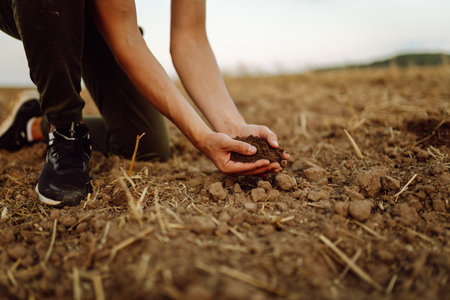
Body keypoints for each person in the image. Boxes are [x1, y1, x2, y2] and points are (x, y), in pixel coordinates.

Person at [0, 0, 289, 208]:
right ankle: (64, 131)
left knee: (145, 145)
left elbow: (188, 40)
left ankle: (30, 124)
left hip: (96, 17)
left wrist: (230, 127)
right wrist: (200, 137)